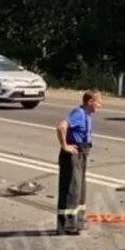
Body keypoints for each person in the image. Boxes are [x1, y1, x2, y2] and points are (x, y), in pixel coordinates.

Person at [55, 91, 100, 235]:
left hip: (82, 154)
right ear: (90, 101)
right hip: (73, 154)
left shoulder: (86, 115)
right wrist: (65, 146)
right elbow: (61, 126)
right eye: (98, 102)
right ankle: (66, 225)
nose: (100, 106)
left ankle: (77, 221)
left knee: (80, 190)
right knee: (71, 189)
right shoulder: (79, 113)